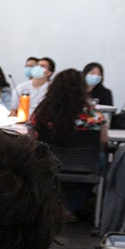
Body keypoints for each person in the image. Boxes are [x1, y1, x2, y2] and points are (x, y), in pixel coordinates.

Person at [31, 70, 109, 219]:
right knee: (102, 162)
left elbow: (32, 139)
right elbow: (104, 141)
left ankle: (50, 206)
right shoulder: (93, 115)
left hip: (48, 163)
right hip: (84, 166)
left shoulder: (42, 113)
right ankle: (71, 206)